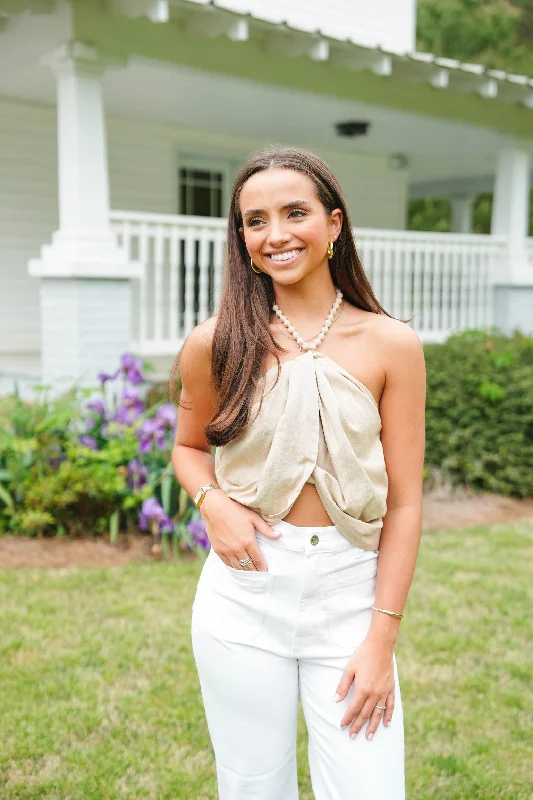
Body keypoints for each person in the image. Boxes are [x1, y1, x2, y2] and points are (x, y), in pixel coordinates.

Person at [170, 145, 426, 800]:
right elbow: (189, 448)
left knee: (370, 789)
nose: (275, 235)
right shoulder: (215, 341)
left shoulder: (391, 344)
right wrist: (212, 502)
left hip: (347, 593)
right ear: (242, 238)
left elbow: (402, 504)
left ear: (334, 224)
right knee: (253, 785)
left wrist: (380, 639)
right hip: (243, 595)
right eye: (255, 221)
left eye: (293, 213)